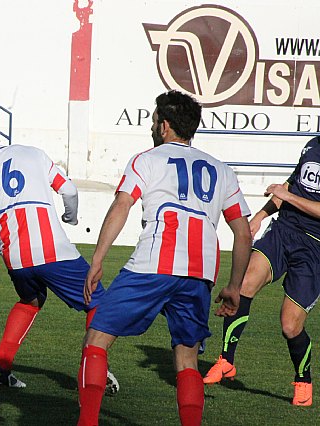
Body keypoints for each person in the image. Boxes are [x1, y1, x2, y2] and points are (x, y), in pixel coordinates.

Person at [77, 90, 252, 426]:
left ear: (165, 126)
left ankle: (86, 422)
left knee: (97, 338)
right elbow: (243, 233)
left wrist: (98, 258)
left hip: (154, 263)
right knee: (186, 358)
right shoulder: (221, 170)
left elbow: (122, 204)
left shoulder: (147, 160)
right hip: (201, 271)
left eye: (154, 120)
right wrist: (234, 286)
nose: (152, 126)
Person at [0, 113, 119, 392]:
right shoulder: (33, 154)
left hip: (16, 259)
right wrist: (71, 217)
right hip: (53, 251)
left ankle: (0, 370)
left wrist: (0, 243)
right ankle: (91, 372)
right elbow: (69, 191)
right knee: (99, 302)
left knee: (30, 300)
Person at [203, 136, 320, 406]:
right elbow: (290, 186)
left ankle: (303, 380)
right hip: (284, 231)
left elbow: (287, 193)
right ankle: (226, 361)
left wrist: (287, 195)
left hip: (314, 248)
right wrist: (259, 216)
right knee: (244, 285)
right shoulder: (313, 145)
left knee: (290, 326)